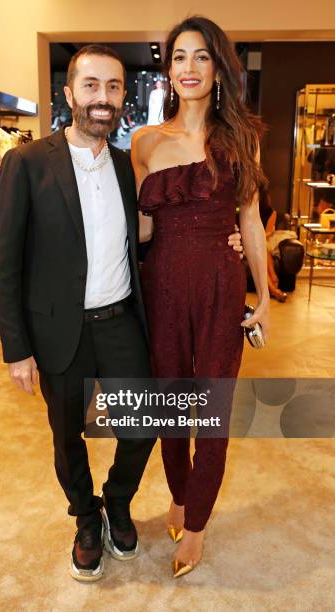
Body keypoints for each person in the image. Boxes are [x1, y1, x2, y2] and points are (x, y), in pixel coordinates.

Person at [0, 43, 243, 583]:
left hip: (123, 321)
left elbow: (151, 234)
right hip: (58, 329)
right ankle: (86, 520)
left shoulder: (130, 162)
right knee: (68, 436)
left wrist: (223, 243)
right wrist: (17, 347)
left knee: (143, 424)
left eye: (112, 88)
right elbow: (5, 261)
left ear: (123, 97)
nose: (101, 99)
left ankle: (118, 501)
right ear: (69, 93)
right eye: (90, 86)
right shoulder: (27, 162)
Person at [132, 16, 270, 578]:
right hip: (161, 281)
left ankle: (197, 525)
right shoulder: (144, 142)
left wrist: (262, 294)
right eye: (179, 57)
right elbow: (138, 229)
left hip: (219, 281)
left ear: (218, 69)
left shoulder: (241, 140)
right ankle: (180, 492)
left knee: (211, 407)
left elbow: (252, 221)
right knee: (169, 399)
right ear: (168, 69)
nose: (189, 68)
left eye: (201, 57)